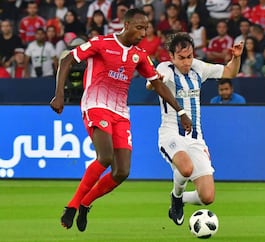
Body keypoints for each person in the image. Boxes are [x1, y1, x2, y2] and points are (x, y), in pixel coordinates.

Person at [50, 8, 192, 232]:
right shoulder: (101, 43)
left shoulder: (139, 55)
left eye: (146, 28)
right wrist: (59, 94)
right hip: (96, 104)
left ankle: (86, 203)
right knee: (105, 157)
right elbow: (68, 59)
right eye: (139, 27)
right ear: (126, 26)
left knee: (122, 171)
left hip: (120, 113)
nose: (143, 33)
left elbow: (158, 84)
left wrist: (181, 111)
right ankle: (72, 206)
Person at [146, 32, 244, 226]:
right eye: (181, 58)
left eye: (189, 57)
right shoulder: (164, 68)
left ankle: (180, 199)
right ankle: (176, 197)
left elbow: (230, 73)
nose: (186, 62)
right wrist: (153, 81)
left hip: (196, 138)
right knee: (186, 167)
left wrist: (237, 58)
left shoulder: (199, 68)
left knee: (207, 197)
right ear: (172, 57)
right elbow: (153, 85)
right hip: (171, 133)